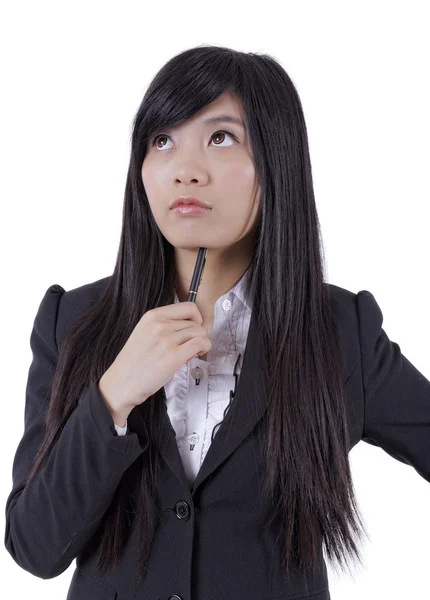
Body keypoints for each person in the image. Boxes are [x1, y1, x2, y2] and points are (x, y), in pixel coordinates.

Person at [5, 45, 430, 600]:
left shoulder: (339, 330)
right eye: (163, 141)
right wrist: (112, 397)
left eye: (220, 137)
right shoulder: (73, 321)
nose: (185, 170)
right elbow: (35, 547)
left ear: (275, 161)